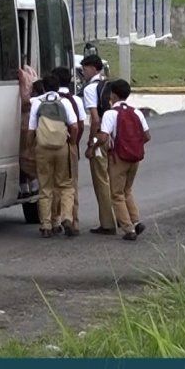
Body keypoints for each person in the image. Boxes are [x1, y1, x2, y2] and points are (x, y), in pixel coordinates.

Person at [97, 79, 151, 241]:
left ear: (113, 95)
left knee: (116, 194)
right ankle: (136, 220)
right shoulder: (137, 112)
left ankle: (128, 228)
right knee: (127, 190)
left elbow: (104, 137)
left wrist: (94, 146)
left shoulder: (110, 113)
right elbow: (147, 136)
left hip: (118, 157)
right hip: (135, 157)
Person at [28, 74, 79, 238]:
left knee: (45, 187)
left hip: (42, 149)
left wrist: (30, 147)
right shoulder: (64, 102)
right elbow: (75, 126)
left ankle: (46, 224)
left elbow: (31, 129)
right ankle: (66, 217)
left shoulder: (37, 103)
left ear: (43, 87)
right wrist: (71, 142)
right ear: (58, 88)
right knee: (65, 185)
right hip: (61, 148)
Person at [80, 54, 116, 235]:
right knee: (112, 179)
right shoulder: (108, 84)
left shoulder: (90, 89)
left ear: (93, 68)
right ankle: (122, 217)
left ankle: (108, 223)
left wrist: (91, 144)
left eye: (85, 68)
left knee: (101, 180)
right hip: (112, 136)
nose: (83, 72)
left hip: (100, 137)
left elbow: (95, 119)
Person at [52, 66, 86, 235]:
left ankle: (53, 220)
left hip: (48, 147)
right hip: (69, 146)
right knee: (70, 185)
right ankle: (72, 220)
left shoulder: (48, 99)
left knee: (51, 184)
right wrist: (74, 143)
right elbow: (80, 125)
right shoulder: (75, 100)